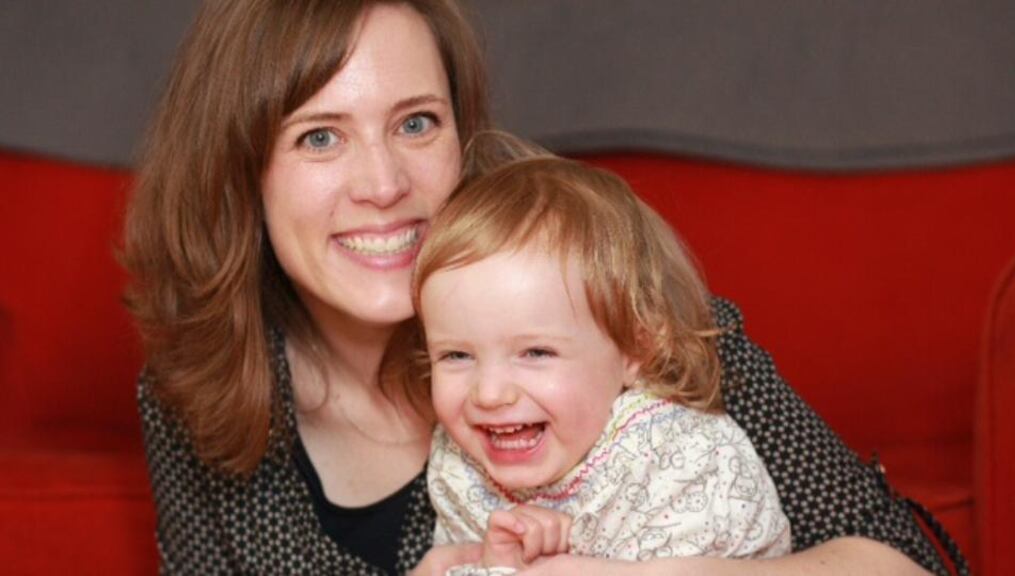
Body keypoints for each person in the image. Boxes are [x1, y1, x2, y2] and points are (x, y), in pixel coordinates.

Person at [121, 0, 949, 574]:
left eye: (416, 123)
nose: (382, 183)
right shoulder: (195, 398)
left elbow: (901, 561)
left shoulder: (604, 298)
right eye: (320, 136)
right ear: (243, 173)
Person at [409, 148, 791, 574]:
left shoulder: (681, 463)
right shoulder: (461, 465)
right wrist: (496, 563)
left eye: (536, 352)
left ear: (637, 348)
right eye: (457, 355)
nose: (490, 393)